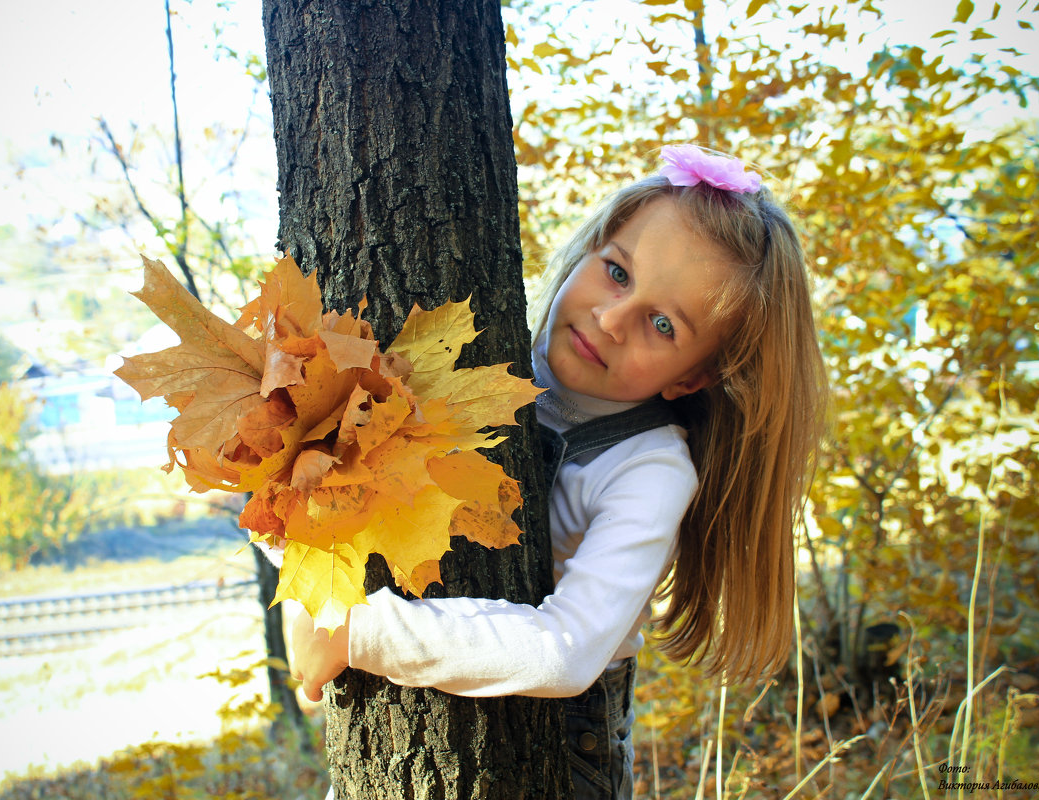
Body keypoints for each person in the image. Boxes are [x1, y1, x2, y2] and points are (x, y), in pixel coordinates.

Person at [286, 144, 829, 799]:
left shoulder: (650, 469)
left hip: (558, 753)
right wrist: (307, 590)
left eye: (662, 324)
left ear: (692, 376)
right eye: (618, 273)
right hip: (408, 716)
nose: (610, 319)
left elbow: (565, 651)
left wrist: (356, 633)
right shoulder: (495, 354)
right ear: (591, 248)